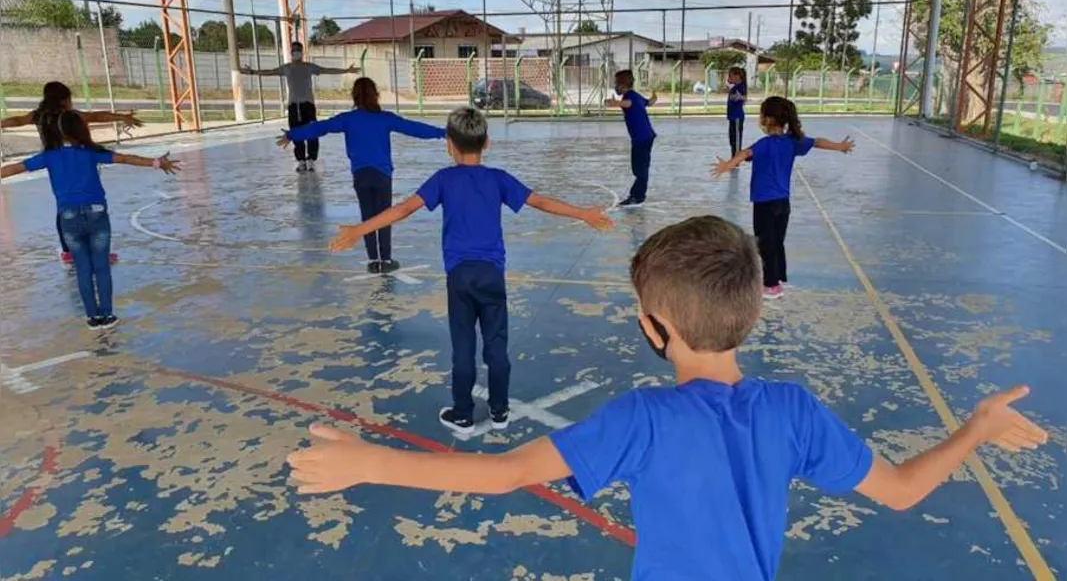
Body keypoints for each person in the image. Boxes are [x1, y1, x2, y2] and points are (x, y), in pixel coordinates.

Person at [287, 214, 1048, 581]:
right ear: (751, 307)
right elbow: (905, 491)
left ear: (653, 328)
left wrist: (368, 462)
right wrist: (974, 427)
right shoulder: (792, 411)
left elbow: (502, 473)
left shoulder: (641, 420)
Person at [326, 107, 613, 432]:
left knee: (463, 348)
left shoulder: (443, 180)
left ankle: (462, 414)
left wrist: (359, 230)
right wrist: (583, 213)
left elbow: (404, 209)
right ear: (486, 142)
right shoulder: (498, 178)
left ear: (449, 144)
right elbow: (541, 202)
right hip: (492, 274)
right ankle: (500, 411)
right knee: (496, 345)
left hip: (459, 277)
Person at [0, 111, 179, 329]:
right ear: (81, 130)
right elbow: (124, 158)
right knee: (101, 266)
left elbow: (14, 168)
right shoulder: (91, 153)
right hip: (97, 214)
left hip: (68, 218)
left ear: (60, 132)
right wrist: (157, 163)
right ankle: (107, 315)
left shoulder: (50, 156)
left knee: (83, 268)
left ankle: (92, 318)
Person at [278, 77, 446, 274]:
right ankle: (386, 259)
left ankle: (373, 260)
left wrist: (292, 135)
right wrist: (443, 133)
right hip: (382, 175)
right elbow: (415, 128)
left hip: (360, 175)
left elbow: (320, 127)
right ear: (376, 95)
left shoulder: (347, 119)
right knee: (384, 217)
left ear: (354, 97)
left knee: (367, 216)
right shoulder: (385, 118)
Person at [713, 96, 855, 300]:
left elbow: (745, 153)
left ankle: (771, 286)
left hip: (764, 202)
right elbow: (817, 142)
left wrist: (728, 165)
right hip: (783, 203)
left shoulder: (765, 144)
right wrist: (840, 146)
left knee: (765, 243)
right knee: (777, 241)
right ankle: (778, 277)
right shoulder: (792, 142)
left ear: (768, 120)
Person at [1, 81, 143, 265]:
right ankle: (98, 250)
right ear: (65, 100)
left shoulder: (38, 115)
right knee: (89, 201)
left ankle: (69, 251)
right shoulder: (70, 116)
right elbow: (96, 116)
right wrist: (121, 117)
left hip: (55, 163)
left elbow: (17, 120)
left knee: (64, 207)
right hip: (79, 160)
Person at [243, 41, 358, 172]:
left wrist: (346, 70)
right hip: (293, 106)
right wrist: (252, 72)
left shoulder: (309, 67)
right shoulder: (286, 68)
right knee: (296, 133)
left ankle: (311, 160)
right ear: (291, 52)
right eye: (294, 50)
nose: (296, 52)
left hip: (308, 105)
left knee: (312, 132)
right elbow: (269, 72)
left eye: (298, 50)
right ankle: (301, 161)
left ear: (302, 52)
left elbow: (327, 70)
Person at [605, 70, 657, 207]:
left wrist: (615, 103)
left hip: (642, 138)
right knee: (638, 168)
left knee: (640, 170)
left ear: (623, 84)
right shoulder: (636, 95)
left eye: (616, 83)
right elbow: (649, 103)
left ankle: (637, 197)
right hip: (644, 137)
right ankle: (637, 195)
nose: (615, 86)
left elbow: (628, 104)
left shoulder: (629, 96)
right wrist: (654, 97)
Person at [726, 66, 748, 157]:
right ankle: (734, 156)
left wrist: (740, 97)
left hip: (737, 117)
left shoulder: (741, 86)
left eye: (730, 76)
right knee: (732, 139)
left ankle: (736, 158)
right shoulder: (735, 87)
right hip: (732, 117)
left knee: (736, 140)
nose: (728, 79)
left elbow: (743, 97)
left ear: (737, 76)